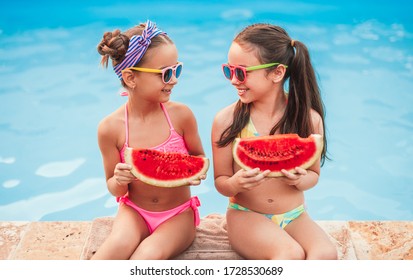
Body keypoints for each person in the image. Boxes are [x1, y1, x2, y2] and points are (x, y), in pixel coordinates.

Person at [211, 23, 337, 260]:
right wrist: (236, 183)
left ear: (277, 73)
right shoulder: (226, 120)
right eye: (229, 70)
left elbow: (314, 175)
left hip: (295, 214)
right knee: (288, 254)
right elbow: (221, 181)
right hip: (246, 214)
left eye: (241, 72)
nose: (233, 80)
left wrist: (302, 180)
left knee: (326, 254)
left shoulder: (308, 119)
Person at [92, 20, 206, 260]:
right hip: (134, 211)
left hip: (178, 215)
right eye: (165, 73)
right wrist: (119, 179)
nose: (173, 80)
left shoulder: (181, 116)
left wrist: (194, 171)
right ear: (131, 78)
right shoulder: (110, 128)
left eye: (177, 70)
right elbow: (113, 187)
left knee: (147, 256)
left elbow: (199, 158)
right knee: (111, 252)